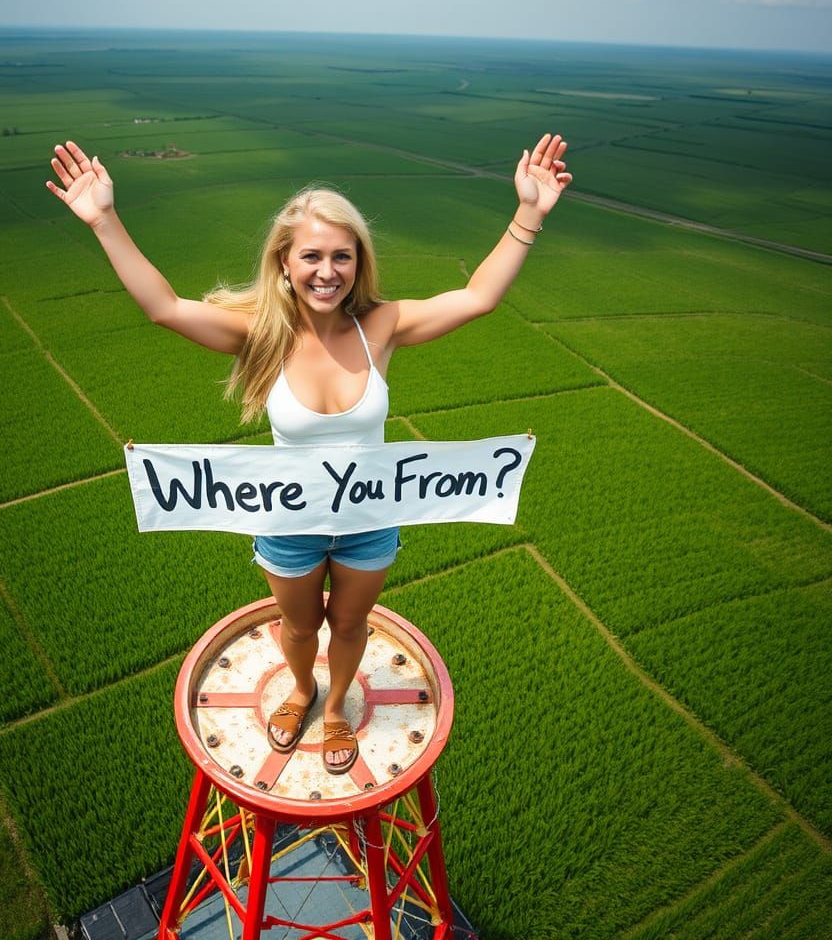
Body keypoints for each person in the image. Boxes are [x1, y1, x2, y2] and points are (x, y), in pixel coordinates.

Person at [47, 134, 571, 773]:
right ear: (285, 264)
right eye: (313, 256)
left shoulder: (381, 325)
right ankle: (301, 690)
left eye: (343, 257)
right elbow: (164, 308)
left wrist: (529, 213)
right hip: (288, 524)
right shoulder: (261, 333)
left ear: (359, 263)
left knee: (350, 627)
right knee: (298, 630)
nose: (328, 271)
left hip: (367, 522)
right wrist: (103, 220)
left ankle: (334, 707)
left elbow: (478, 298)